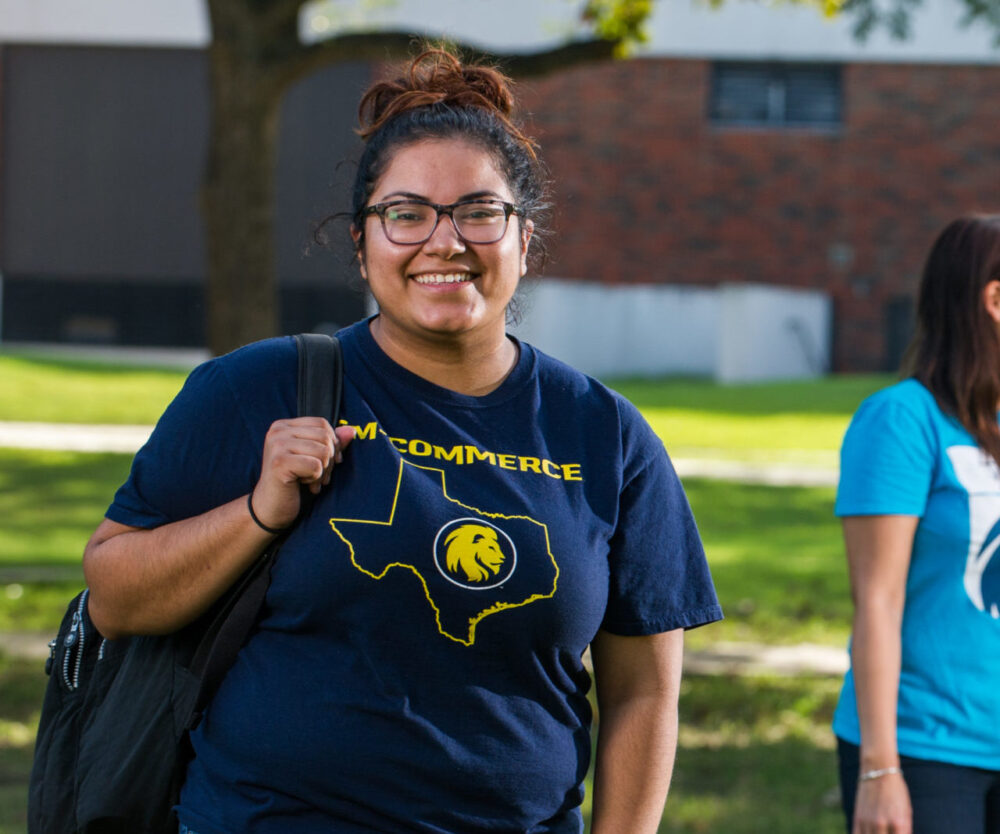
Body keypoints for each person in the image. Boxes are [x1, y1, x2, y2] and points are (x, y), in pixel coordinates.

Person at [78, 48, 720, 833]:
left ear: (524, 239)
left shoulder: (605, 434)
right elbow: (113, 597)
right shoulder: (254, 391)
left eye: (479, 213)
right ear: (361, 242)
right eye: (406, 213)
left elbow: (644, 693)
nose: (443, 242)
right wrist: (258, 513)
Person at [834, 214, 1000, 834]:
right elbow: (877, 602)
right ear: (994, 299)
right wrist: (881, 768)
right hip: (929, 749)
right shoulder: (902, 420)